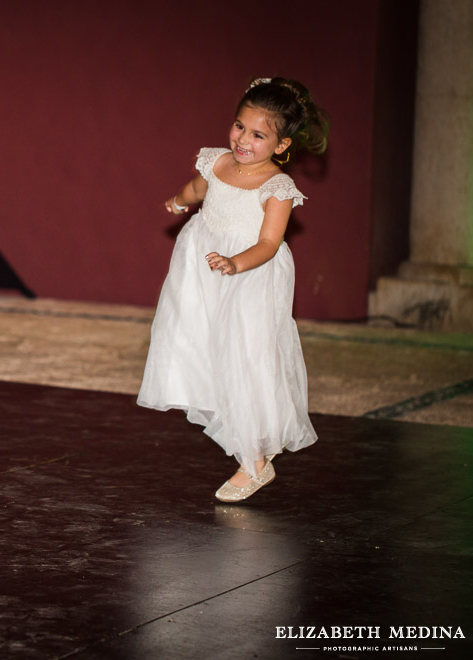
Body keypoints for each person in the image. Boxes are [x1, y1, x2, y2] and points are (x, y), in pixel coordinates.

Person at [138, 77, 329, 503]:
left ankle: (255, 461)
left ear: (281, 146)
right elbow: (199, 189)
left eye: (259, 135)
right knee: (203, 346)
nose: (243, 139)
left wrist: (235, 263)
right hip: (202, 263)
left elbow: (268, 243)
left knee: (245, 357)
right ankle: (227, 420)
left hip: (249, 274)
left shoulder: (276, 188)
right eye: (239, 126)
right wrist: (179, 201)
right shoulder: (217, 162)